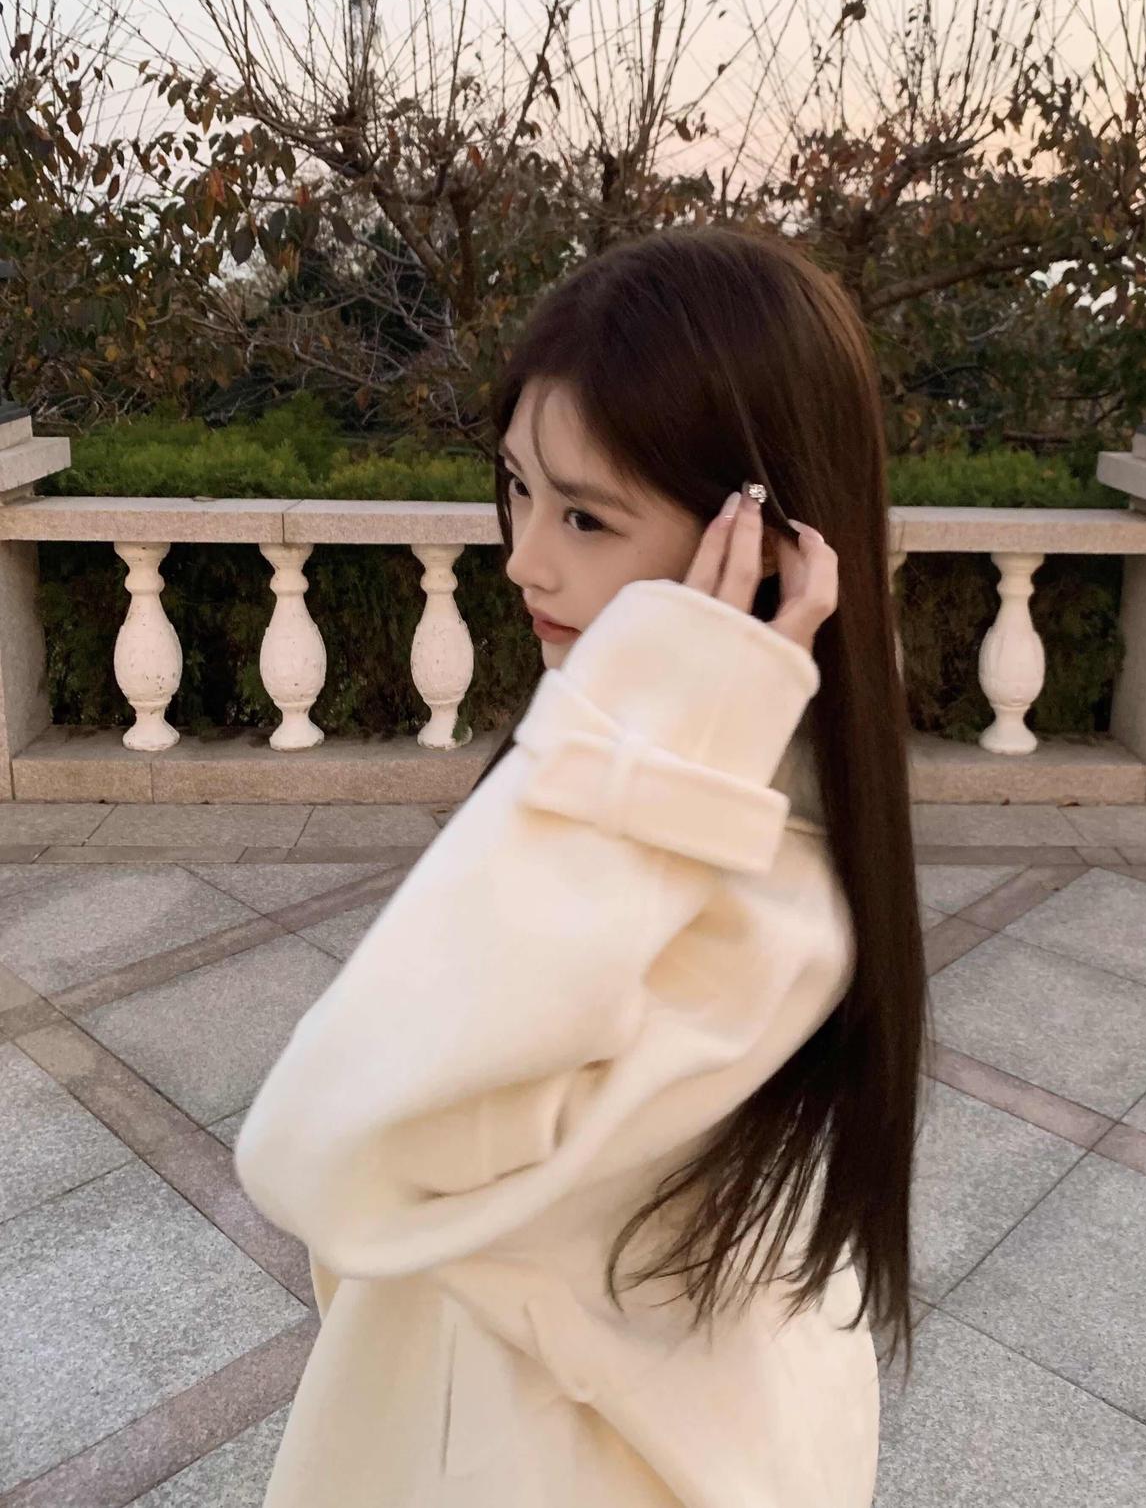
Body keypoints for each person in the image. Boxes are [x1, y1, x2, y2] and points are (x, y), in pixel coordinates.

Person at [234, 224, 929, 1507]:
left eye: (586, 515)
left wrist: (660, 730)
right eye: (518, 488)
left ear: (766, 550)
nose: (525, 556)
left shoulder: (768, 901)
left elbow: (315, 1146)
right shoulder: (649, 790)